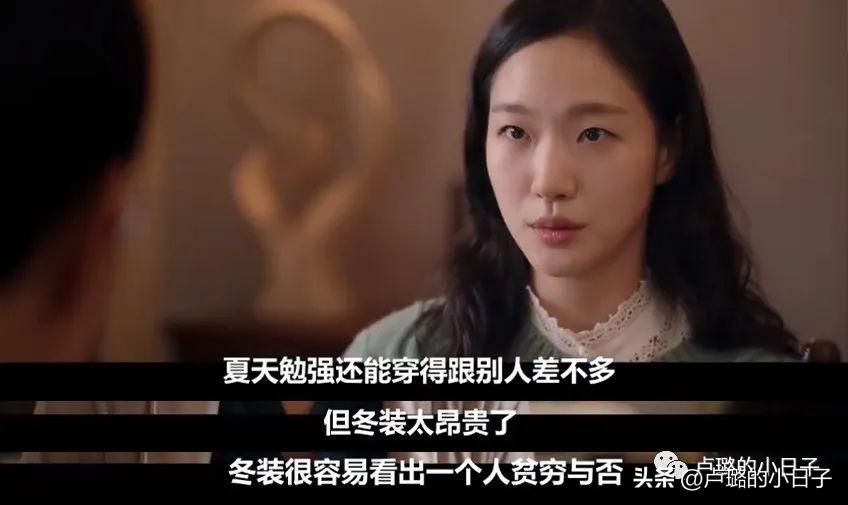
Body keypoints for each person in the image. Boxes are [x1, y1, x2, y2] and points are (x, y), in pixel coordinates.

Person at [343, 0, 801, 463]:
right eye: (515, 132)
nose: (549, 182)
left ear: (668, 150)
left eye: (593, 134)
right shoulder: (392, 358)